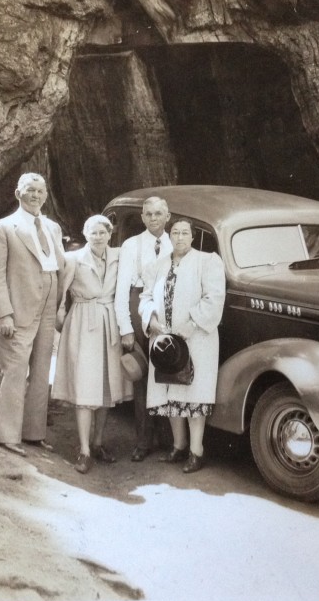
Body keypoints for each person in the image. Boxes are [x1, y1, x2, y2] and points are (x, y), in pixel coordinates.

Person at [0, 172, 66, 457]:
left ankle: (34, 433)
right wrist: (3, 313)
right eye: (30, 190)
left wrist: (60, 303)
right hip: (18, 306)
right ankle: (6, 435)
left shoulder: (53, 228)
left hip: (47, 302)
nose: (36, 196)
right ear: (18, 193)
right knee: (16, 369)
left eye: (40, 191)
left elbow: (62, 265)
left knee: (42, 370)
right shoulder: (3, 228)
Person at [139, 218, 226, 474]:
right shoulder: (158, 265)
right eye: (175, 232)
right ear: (170, 236)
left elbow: (214, 297)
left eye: (184, 233)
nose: (179, 237)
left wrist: (193, 322)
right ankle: (178, 446)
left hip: (196, 338)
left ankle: (196, 451)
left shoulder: (207, 261)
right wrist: (151, 317)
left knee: (192, 393)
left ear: (192, 236)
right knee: (169, 390)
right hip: (165, 339)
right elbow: (145, 296)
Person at [52, 215, 131, 474]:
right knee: (86, 386)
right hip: (84, 321)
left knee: (107, 385)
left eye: (102, 232)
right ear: (85, 234)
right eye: (92, 232)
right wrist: (60, 315)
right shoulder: (74, 258)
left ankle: (98, 443)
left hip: (109, 322)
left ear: (110, 234)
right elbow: (61, 291)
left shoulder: (120, 256)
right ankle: (84, 449)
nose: (98, 236)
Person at [114, 196, 173, 462]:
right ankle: (143, 441)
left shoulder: (177, 241)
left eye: (158, 213)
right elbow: (121, 291)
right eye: (148, 214)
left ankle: (170, 440)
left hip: (169, 307)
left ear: (167, 216)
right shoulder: (132, 245)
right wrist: (126, 329)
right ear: (142, 218)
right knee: (143, 378)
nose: (153, 218)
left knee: (169, 373)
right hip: (139, 306)